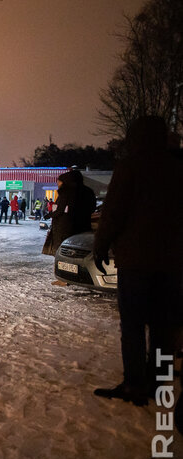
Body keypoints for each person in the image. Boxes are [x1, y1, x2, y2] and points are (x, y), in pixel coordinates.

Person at [92, 116, 183, 408]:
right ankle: (158, 382)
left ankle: (134, 383)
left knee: (132, 325)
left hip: (136, 261)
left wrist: (101, 244)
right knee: (163, 326)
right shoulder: (177, 168)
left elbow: (114, 212)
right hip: (171, 263)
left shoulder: (130, 166)